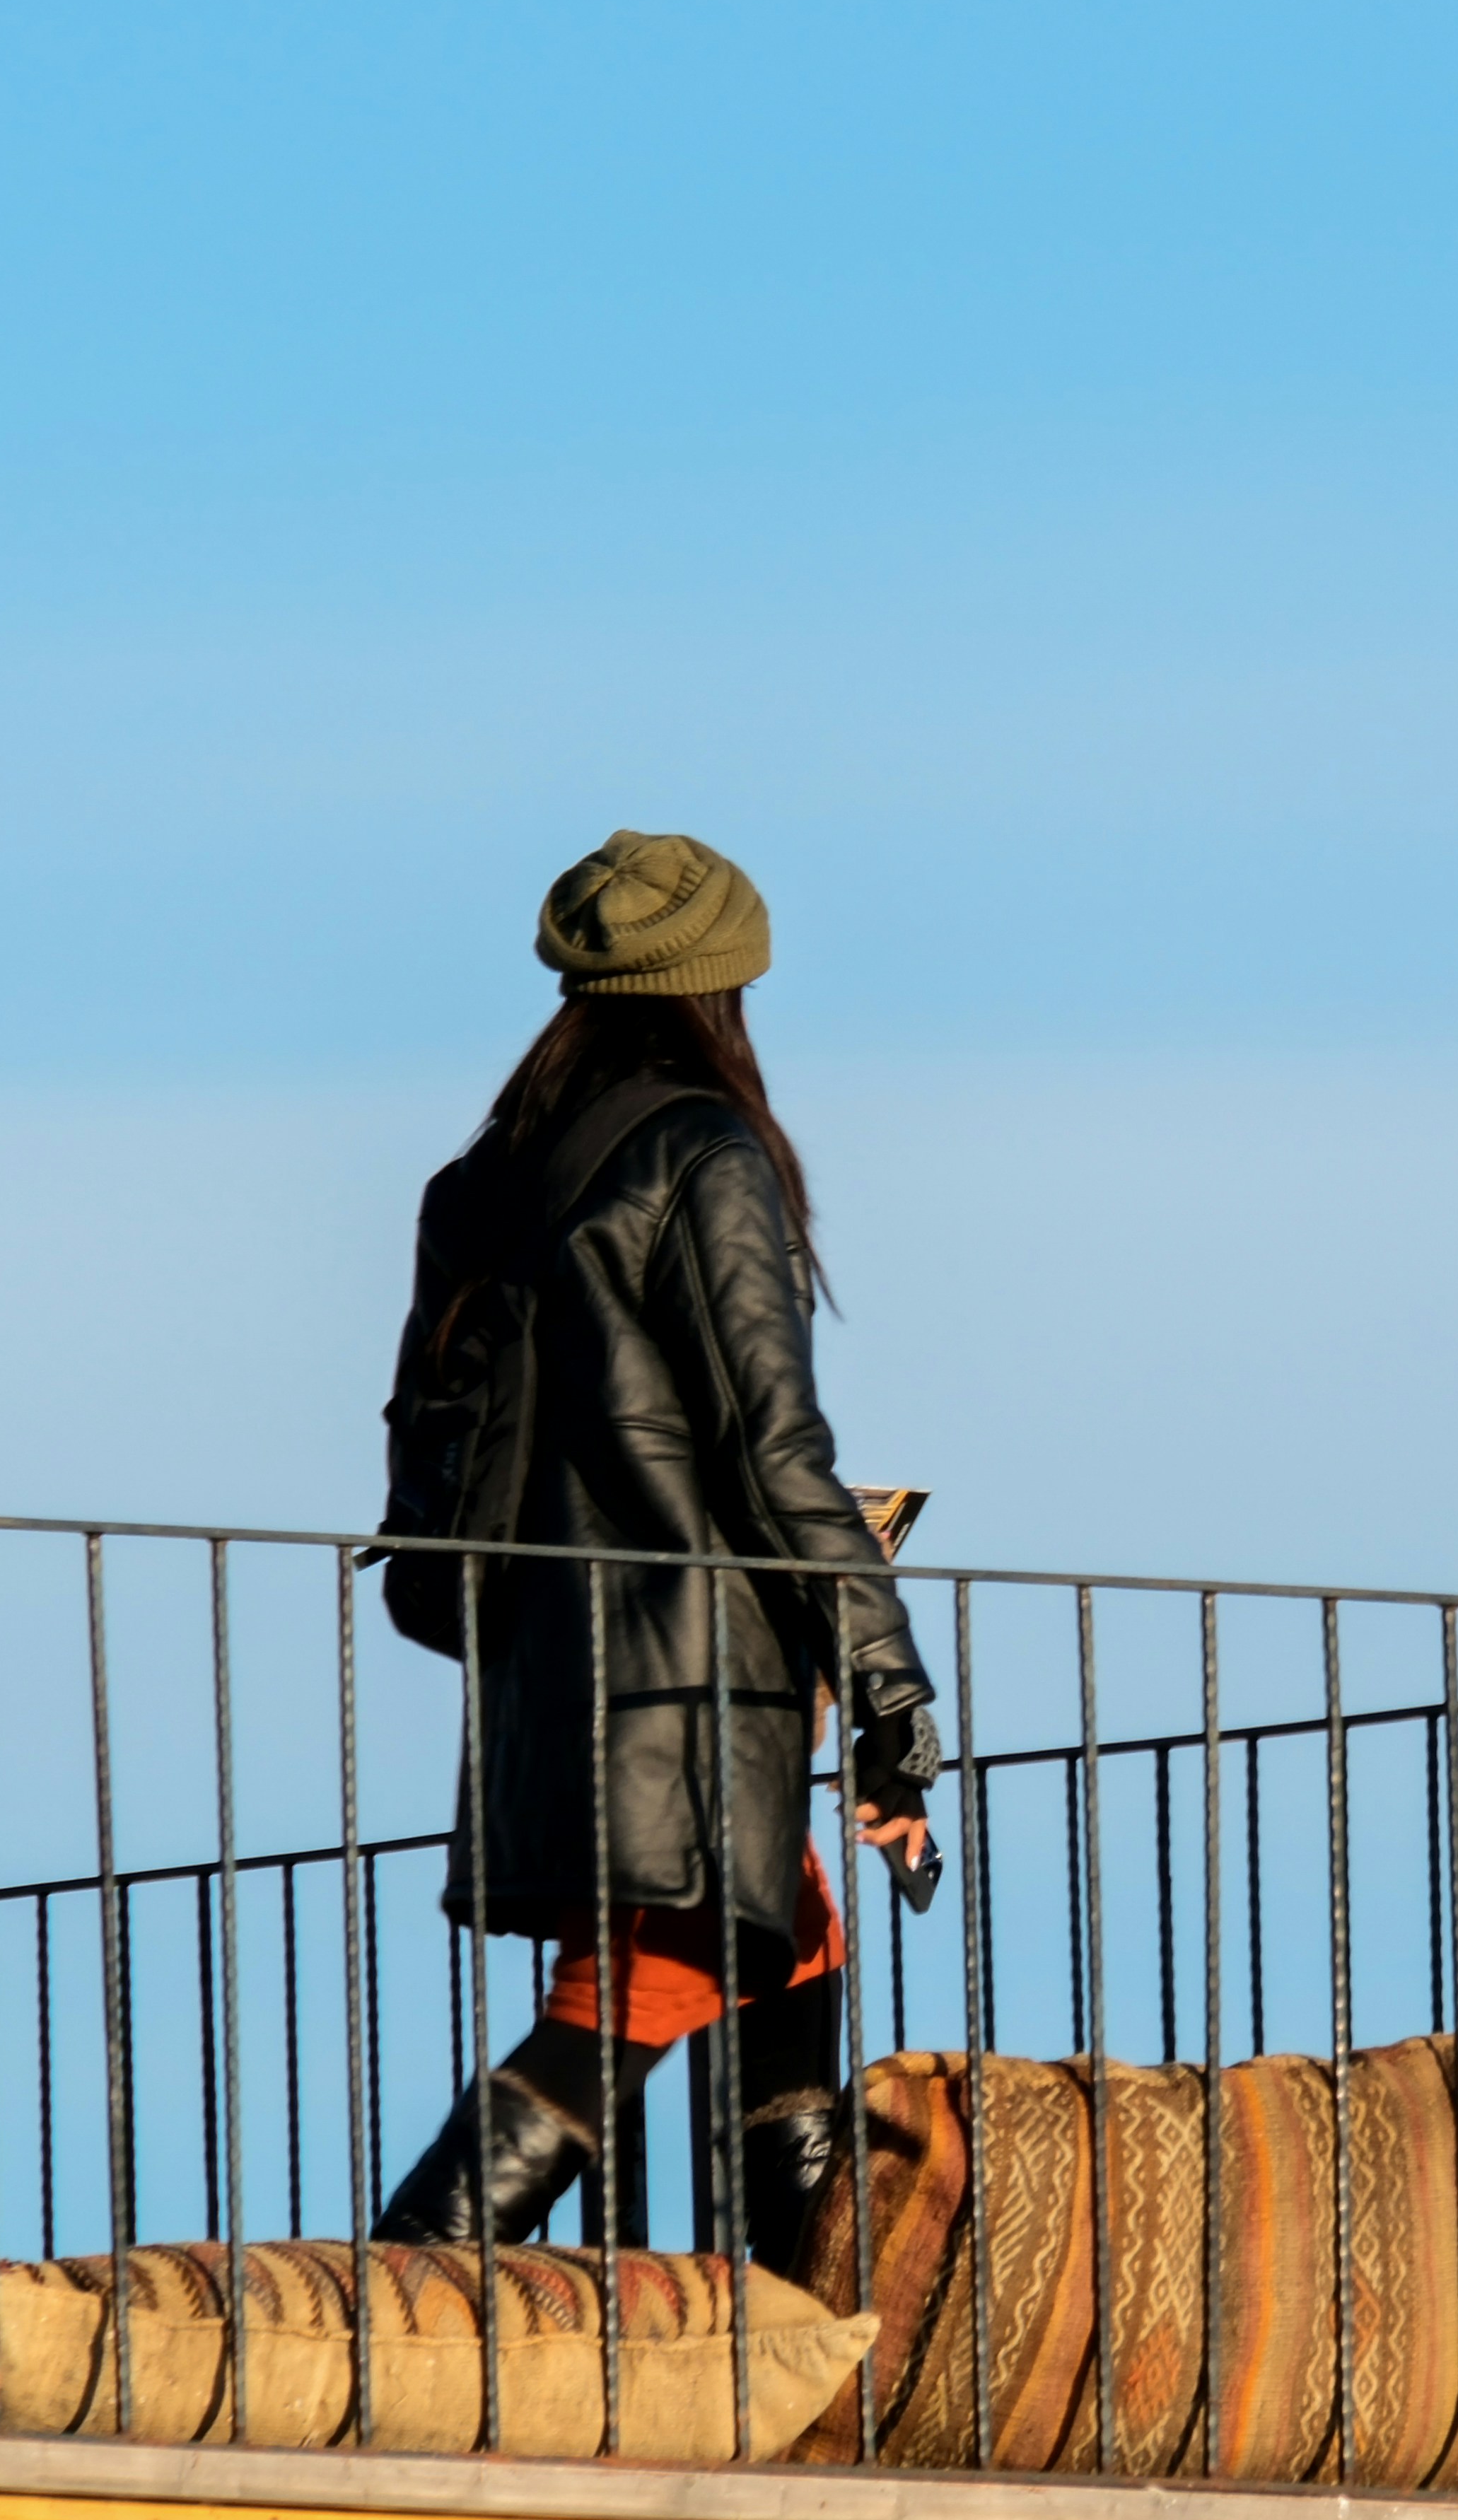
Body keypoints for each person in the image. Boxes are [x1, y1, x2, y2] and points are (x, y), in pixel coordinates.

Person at [370, 830, 944, 2264]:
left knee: (789, 1944)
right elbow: (773, 1449)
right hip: (688, 1674)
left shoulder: (482, 1184)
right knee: (640, 1992)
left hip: (552, 1673)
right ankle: (390, 2295)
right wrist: (889, 1690)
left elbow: (426, 1480)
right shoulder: (703, 1150)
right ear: (722, 984)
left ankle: (798, 2317)